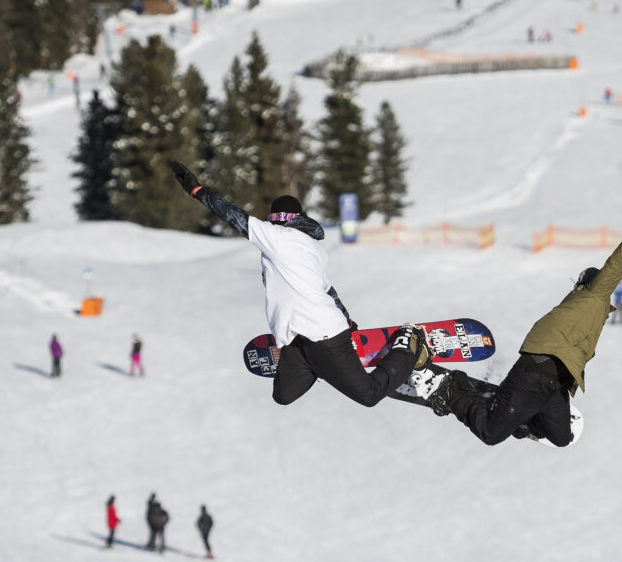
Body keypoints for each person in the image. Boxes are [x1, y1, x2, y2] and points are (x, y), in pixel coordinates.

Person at [168, 161, 430, 408]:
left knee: (369, 395)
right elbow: (328, 291)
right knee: (283, 395)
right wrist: (348, 322)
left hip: (323, 335)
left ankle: (407, 345)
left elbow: (233, 215)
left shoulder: (280, 237)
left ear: (279, 219)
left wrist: (198, 191)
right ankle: (323, 368)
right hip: (296, 341)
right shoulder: (312, 247)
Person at [431, 194, 622, 447]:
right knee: (491, 434)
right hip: (535, 371)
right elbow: (618, 262)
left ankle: (523, 418)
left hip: (556, 386)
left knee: (561, 438)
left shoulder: (594, 309)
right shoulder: (594, 294)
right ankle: (454, 389)